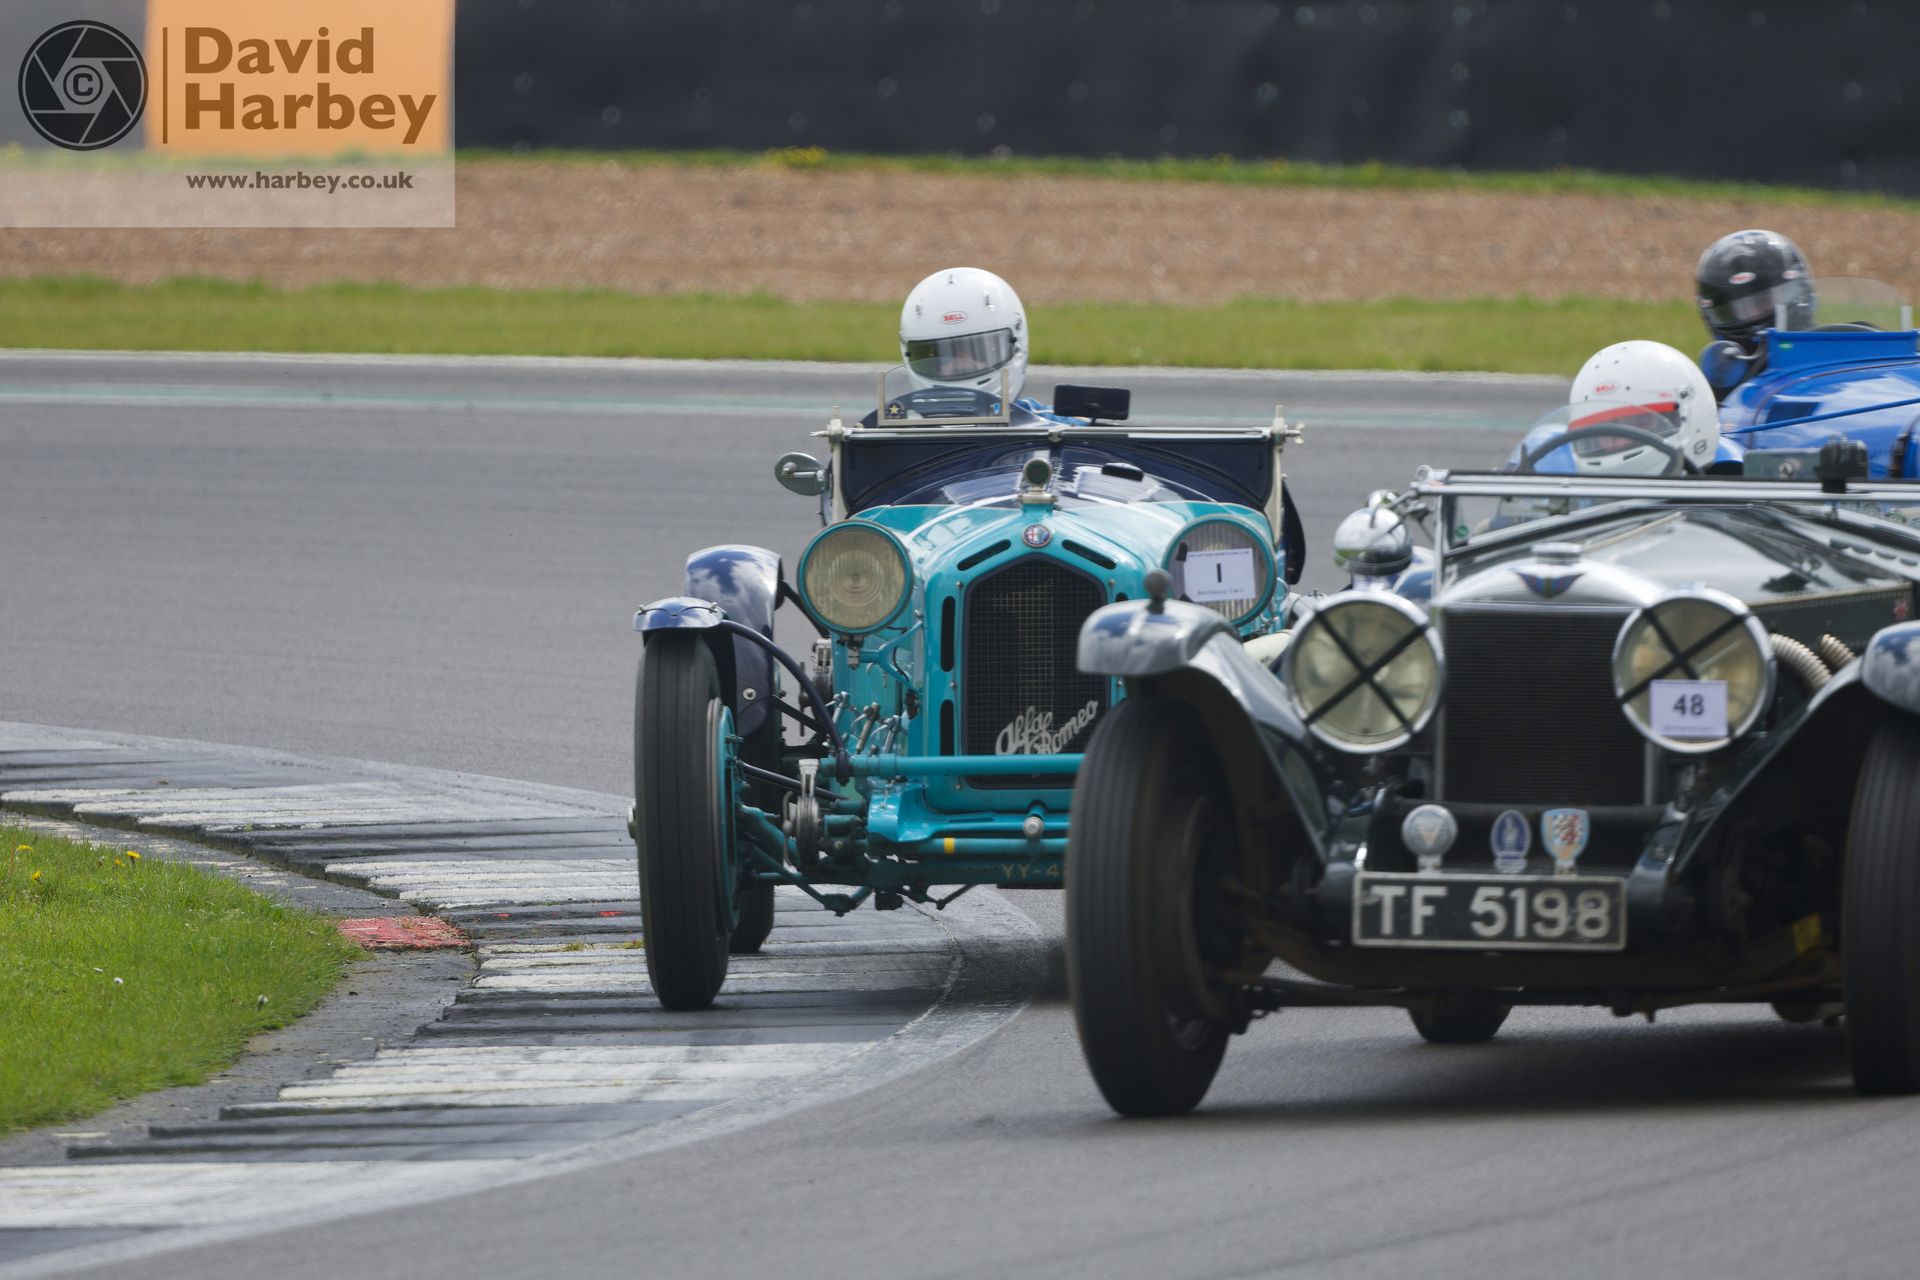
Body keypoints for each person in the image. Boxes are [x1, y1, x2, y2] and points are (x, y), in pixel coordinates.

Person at [1508, 339, 1721, 475]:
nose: (1619, 440)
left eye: (1639, 424)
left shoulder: (1733, 490)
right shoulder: (1569, 492)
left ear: (1687, 415)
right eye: (1605, 431)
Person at [1694, 229, 1816, 400]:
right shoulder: (1714, 397)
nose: (1757, 313)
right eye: (1741, 308)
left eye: (1767, 300)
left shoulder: (1847, 347)